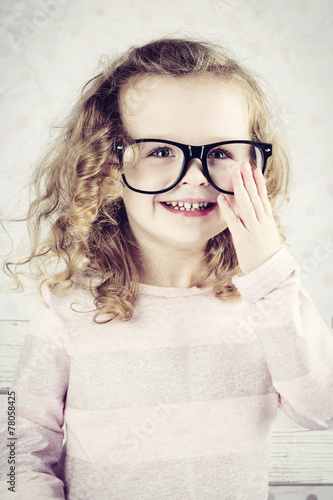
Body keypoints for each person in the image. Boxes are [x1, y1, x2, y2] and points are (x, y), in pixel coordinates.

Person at [0, 37, 332, 500]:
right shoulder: (68, 307)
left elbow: (323, 410)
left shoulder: (269, 301)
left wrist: (270, 270)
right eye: (159, 151)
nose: (195, 175)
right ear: (106, 169)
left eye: (220, 152)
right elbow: (17, 441)